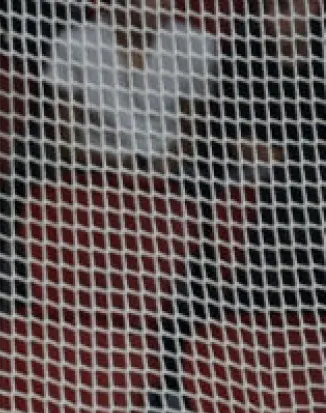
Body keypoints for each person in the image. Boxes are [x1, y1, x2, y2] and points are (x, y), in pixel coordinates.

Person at [197, 0, 326, 310]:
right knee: (296, 180)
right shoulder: (244, 43)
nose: (270, 18)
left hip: (311, 170)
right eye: (265, 9)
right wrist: (274, 157)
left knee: (304, 178)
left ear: (311, 9)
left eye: (282, 8)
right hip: (255, 169)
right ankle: (268, 286)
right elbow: (230, 129)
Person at [42, 0, 218, 176]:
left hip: (169, 177)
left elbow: (191, 130)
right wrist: (115, 165)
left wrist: (164, 167)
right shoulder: (72, 44)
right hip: (95, 173)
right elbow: (65, 141)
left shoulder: (198, 45)